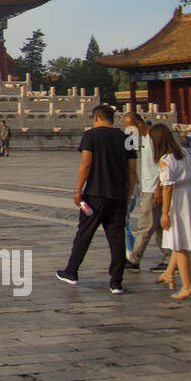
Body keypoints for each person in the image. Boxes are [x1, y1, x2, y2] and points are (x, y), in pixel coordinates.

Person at [57, 104, 138, 294]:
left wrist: (78, 190)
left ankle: (72, 271)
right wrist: (128, 194)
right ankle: (116, 282)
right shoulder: (127, 138)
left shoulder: (91, 136)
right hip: (118, 196)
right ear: (112, 118)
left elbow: (86, 164)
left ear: (96, 118)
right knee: (117, 238)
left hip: (95, 195)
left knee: (84, 234)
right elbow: (132, 171)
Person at [151, 123, 191, 302]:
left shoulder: (166, 159)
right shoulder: (186, 152)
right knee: (177, 242)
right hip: (190, 197)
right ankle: (168, 273)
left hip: (178, 201)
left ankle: (188, 287)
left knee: (179, 247)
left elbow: (167, 188)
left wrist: (164, 213)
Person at [124, 112, 165, 272]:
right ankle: (169, 258)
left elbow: (164, 165)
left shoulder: (155, 137)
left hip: (155, 189)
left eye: (130, 126)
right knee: (158, 227)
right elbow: (131, 160)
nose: (128, 130)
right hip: (147, 188)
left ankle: (134, 259)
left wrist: (159, 188)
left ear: (139, 123)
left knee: (145, 226)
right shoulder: (140, 139)